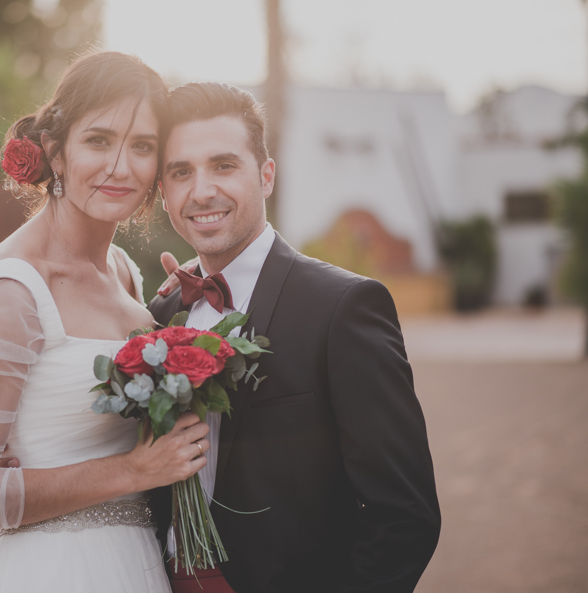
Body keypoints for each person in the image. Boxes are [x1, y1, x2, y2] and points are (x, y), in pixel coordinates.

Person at [0, 52, 211, 593]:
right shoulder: (14, 289)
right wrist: (133, 471)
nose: (121, 166)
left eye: (142, 146)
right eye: (99, 140)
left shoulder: (125, 274)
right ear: (56, 151)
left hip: (136, 567)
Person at [149, 82, 442, 593]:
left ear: (265, 176)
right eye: (180, 172)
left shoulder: (344, 308)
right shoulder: (159, 313)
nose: (201, 191)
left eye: (223, 165)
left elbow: (405, 516)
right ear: (164, 194)